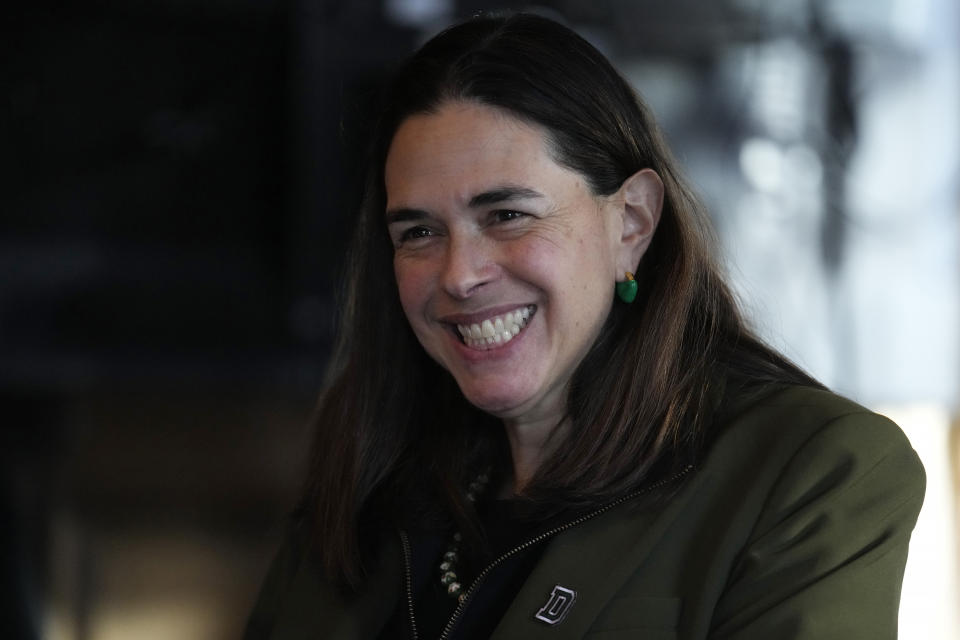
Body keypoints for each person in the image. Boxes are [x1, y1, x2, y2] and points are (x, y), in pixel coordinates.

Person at [244, 12, 925, 640]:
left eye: (506, 215)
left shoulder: (809, 467)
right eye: (418, 231)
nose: (458, 274)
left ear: (631, 223)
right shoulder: (373, 470)